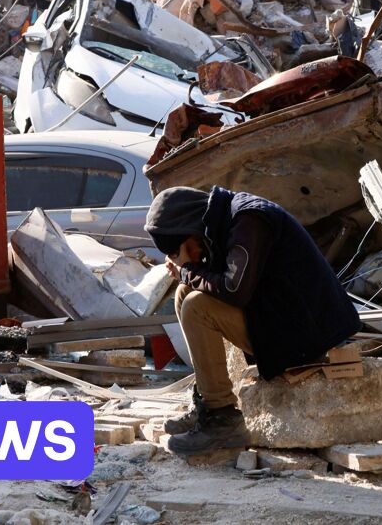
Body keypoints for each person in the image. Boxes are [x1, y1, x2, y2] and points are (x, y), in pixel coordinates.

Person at [145, 186, 363, 454]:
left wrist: (188, 269)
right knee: (185, 292)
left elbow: (234, 290)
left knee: (196, 305)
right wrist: (189, 271)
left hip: (308, 333)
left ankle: (222, 417)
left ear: (191, 228)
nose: (193, 255)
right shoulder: (222, 221)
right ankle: (207, 400)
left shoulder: (249, 220)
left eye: (184, 247)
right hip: (279, 315)